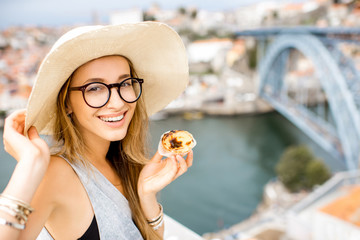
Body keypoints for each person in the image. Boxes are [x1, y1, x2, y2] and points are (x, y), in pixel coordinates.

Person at [0, 21, 192, 240]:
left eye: (125, 83)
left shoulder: (124, 164)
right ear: (66, 104)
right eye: (95, 88)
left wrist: (146, 195)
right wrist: (30, 163)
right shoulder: (56, 173)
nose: (118, 102)